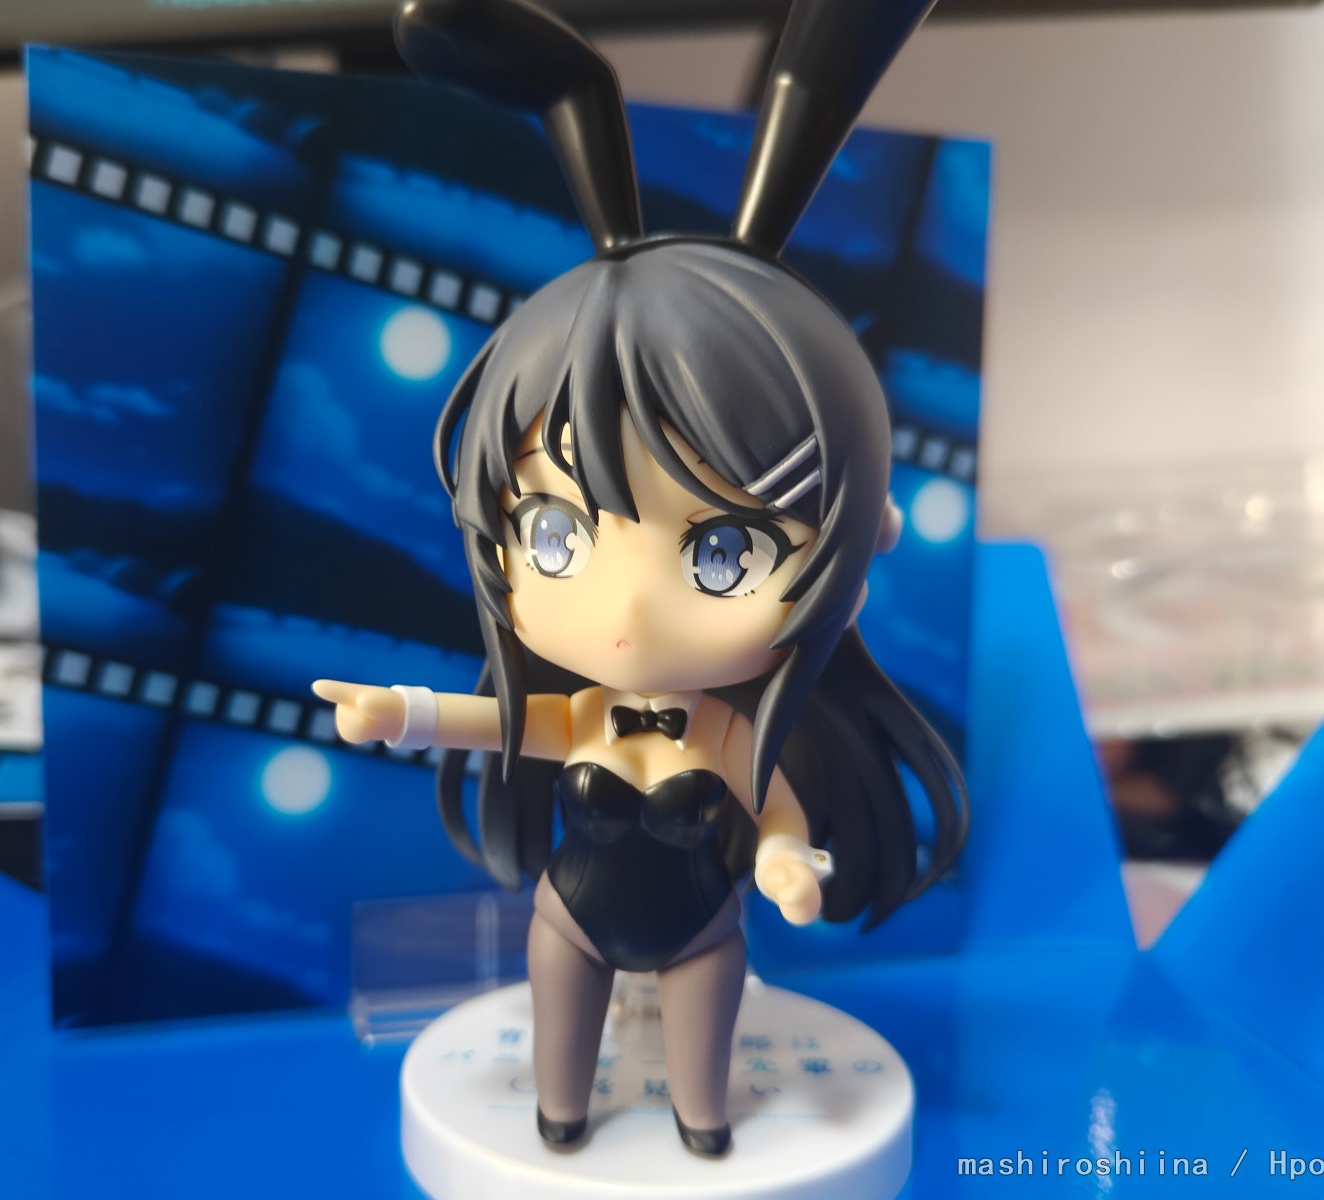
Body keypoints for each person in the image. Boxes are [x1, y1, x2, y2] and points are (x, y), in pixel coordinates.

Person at [314, 0, 965, 1158]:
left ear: (861, 541)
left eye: (722, 553)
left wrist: (786, 861)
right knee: (561, 1043)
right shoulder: (579, 716)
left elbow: (776, 812)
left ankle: (702, 1124)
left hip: (703, 930)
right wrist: (395, 712)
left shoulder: (720, 734)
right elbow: (486, 722)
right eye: (554, 535)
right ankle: (560, 1112)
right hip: (569, 920)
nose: (624, 609)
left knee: (703, 1071)